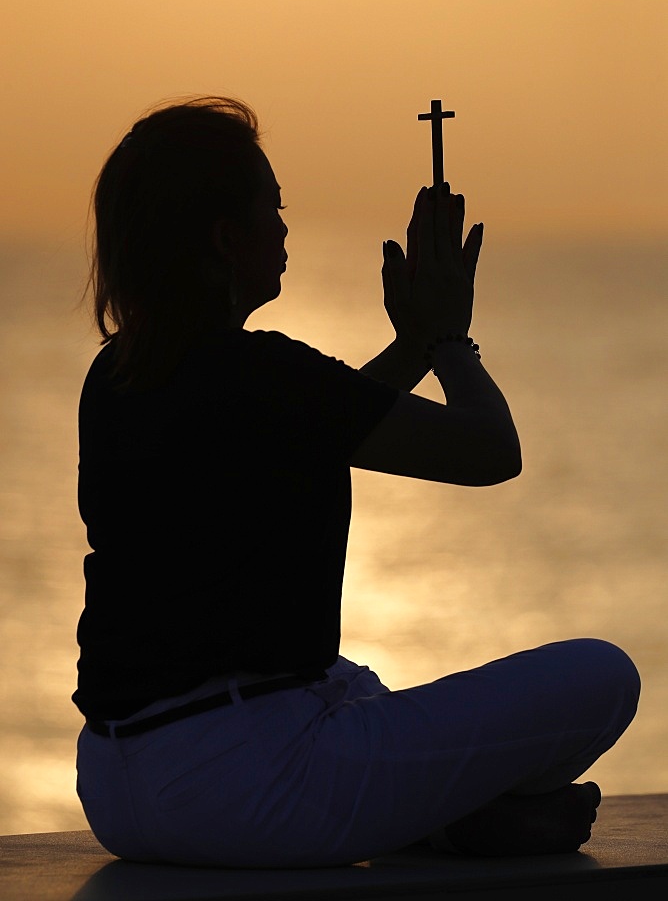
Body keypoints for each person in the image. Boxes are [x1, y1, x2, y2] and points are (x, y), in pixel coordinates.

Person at [74, 96, 640, 868]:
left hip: (116, 786)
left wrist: (408, 344)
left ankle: (444, 820)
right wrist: (448, 342)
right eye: (272, 207)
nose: (283, 226)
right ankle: (454, 820)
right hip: (251, 786)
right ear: (225, 239)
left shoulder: (117, 377)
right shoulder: (265, 375)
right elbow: (489, 450)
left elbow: (314, 428)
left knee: (355, 681)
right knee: (605, 676)